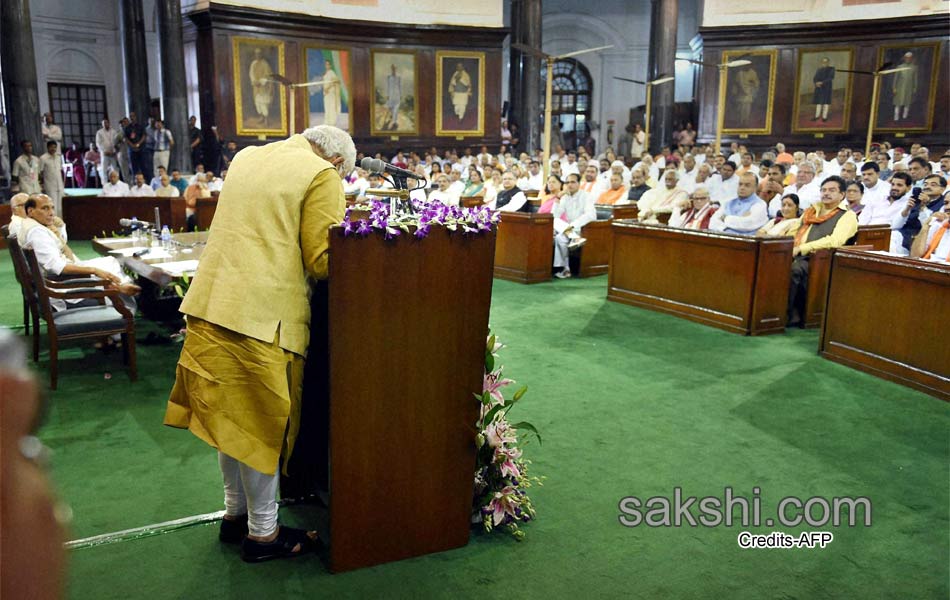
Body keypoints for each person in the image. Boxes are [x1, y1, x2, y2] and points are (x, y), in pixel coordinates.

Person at [164, 126, 353, 564]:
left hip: (212, 302)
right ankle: (263, 535)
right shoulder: (322, 175)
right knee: (260, 426)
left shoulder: (247, 157)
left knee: (228, 421)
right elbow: (321, 260)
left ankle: (235, 515)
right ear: (339, 162)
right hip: (261, 316)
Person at [20, 195, 140, 311]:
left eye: (52, 208)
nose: (51, 213)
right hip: (61, 287)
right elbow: (57, 267)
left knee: (110, 261)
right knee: (116, 290)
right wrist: (94, 270)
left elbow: (60, 249)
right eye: (45, 208)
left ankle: (122, 286)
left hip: (59, 279)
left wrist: (59, 229)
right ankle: (123, 315)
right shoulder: (37, 233)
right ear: (30, 211)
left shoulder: (35, 226)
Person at [786, 176, 859, 326]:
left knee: (794, 269)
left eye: (832, 190)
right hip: (796, 253)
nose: (826, 193)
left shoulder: (847, 216)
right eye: (823, 190)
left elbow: (835, 241)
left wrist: (801, 248)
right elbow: (793, 232)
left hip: (821, 260)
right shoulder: (811, 211)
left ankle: (789, 314)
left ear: (842, 195)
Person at [552, 173, 596, 279]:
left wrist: (572, 226)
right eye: (567, 182)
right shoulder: (565, 197)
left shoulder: (586, 196)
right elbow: (554, 215)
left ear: (579, 183)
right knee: (559, 236)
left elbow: (591, 215)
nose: (569, 185)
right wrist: (557, 198)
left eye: (573, 182)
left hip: (583, 229)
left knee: (561, 235)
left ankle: (574, 238)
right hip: (570, 231)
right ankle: (566, 269)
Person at [250, 48, 276, 126]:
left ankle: (266, 119)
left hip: (264, 87)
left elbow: (268, 76)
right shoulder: (253, 63)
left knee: (264, 103)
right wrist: (254, 81)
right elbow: (251, 74)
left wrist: (261, 82)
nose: (257, 55)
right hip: (256, 86)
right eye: (256, 54)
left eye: (259, 54)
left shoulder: (265, 64)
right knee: (257, 102)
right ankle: (261, 117)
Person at [38, 141, 65, 216]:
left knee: (61, 205)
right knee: (52, 204)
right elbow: (40, 172)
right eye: (51, 147)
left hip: (59, 185)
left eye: (55, 147)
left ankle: (61, 222)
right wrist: (41, 185)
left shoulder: (59, 157)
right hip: (50, 185)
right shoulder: (43, 158)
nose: (53, 149)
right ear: (47, 147)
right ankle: (53, 222)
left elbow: (60, 171)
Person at [891, 51, 918, 123]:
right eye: (907, 58)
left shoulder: (914, 67)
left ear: (912, 59)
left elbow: (915, 79)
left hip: (909, 88)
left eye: (910, 58)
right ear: (904, 58)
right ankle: (896, 118)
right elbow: (895, 78)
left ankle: (904, 118)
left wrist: (914, 88)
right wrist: (894, 88)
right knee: (898, 103)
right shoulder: (900, 67)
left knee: (907, 103)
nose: (908, 59)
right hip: (900, 88)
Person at [96, 118, 120, 183]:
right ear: (102, 124)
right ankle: (105, 184)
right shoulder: (99, 132)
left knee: (115, 169)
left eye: (106, 123)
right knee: (104, 170)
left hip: (113, 153)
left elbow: (116, 142)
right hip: (105, 153)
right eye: (103, 123)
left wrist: (114, 150)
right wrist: (104, 151)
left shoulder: (114, 131)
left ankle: (117, 183)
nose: (105, 124)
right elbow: (98, 143)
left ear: (109, 123)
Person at [811, 57, 836, 122]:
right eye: (823, 62)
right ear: (821, 62)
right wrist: (816, 83)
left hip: (827, 88)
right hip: (819, 88)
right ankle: (816, 116)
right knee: (818, 103)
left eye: (826, 62)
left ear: (828, 62)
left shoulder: (832, 69)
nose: (824, 63)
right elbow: (815, 78)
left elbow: (831, 77)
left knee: (826, 103)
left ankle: (824, 117)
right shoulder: (819, 69)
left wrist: (822, 82)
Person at [321, 59, 342, 127]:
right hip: (326, 93)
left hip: (331, 92)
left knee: (331, 106)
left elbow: (336, 81)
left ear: (330, 65)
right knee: (327, 106)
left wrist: (328, 88)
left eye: (328, 64)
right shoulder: (326, 73)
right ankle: (327, 121)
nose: (327, 66)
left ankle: (332, 122)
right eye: (326, 64)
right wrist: (325, 89)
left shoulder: (331, 72)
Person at [385, 64, 402, 131]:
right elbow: (387, 86)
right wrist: (387, 95)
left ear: (396, 69)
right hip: (391, 95)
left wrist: (400, 94)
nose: (393, 70)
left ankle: (394, 121)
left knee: (396, 108)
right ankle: (392, 118)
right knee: (391, 108)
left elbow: (400, 86)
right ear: (391, 69)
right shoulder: (389, 77)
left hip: (397, 95)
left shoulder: (398, 77)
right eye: (392, 68)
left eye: (394, 68)